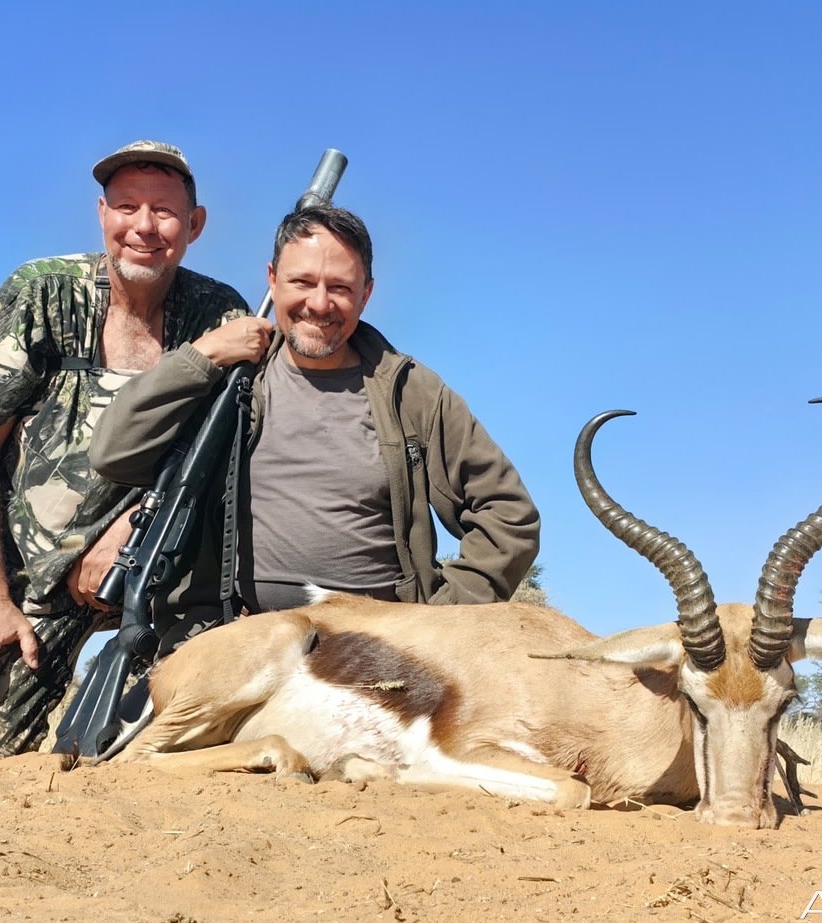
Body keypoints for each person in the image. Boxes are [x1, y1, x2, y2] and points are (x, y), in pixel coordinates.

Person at [0, 140, 273, 757]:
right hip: (29, 583)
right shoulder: (39, 294)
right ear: (102, 214)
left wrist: (128, 530)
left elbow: (218, 457)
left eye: (164, 212)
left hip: (159, 571)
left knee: (189, 754)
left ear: (194, 225)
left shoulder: (221, 311)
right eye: (126, 206)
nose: (144, 226)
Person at [89, 203, 539, 639]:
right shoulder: (227, 377)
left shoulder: (413, 392)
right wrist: (202, 355)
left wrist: (437, 625)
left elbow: (509, 517)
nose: (319, 304)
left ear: (367, 293)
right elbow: (114, 452)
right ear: (272, 279)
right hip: (229, 637)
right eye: (301, 281)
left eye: (340, 288)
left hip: (376, 652)